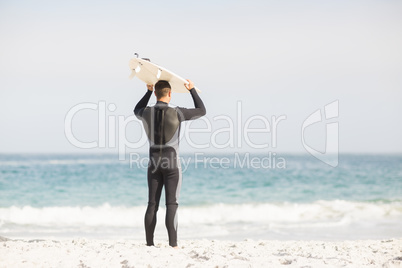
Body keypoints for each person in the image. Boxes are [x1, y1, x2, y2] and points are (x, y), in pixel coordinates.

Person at [134, 79, 206, 248]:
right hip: (172, 163)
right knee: (171, 204)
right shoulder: (177, 112)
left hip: (153, 163)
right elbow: (202, 110)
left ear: (156, 93)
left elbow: (135, 109)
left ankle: (149, 244)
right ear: (170, 93)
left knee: (152, 204)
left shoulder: (145, 112)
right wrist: (192, 90)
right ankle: (173, 244)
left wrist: (147, 92)